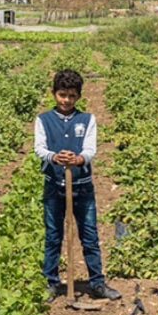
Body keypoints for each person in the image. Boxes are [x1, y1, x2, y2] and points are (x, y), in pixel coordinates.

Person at [34, 69, 121, 301]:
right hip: (54, 185)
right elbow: (39, 148)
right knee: (53, 235)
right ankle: (52, 282)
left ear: (78, 97)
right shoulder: (43, 119)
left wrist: (79, 159)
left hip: (82, 186)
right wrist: (54, 157)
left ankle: (97, 283)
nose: (66, 100)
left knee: (89, 235)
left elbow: (90, 149)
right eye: (62, 95)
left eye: (72, 96)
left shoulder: (87, 119)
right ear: (54, 94)